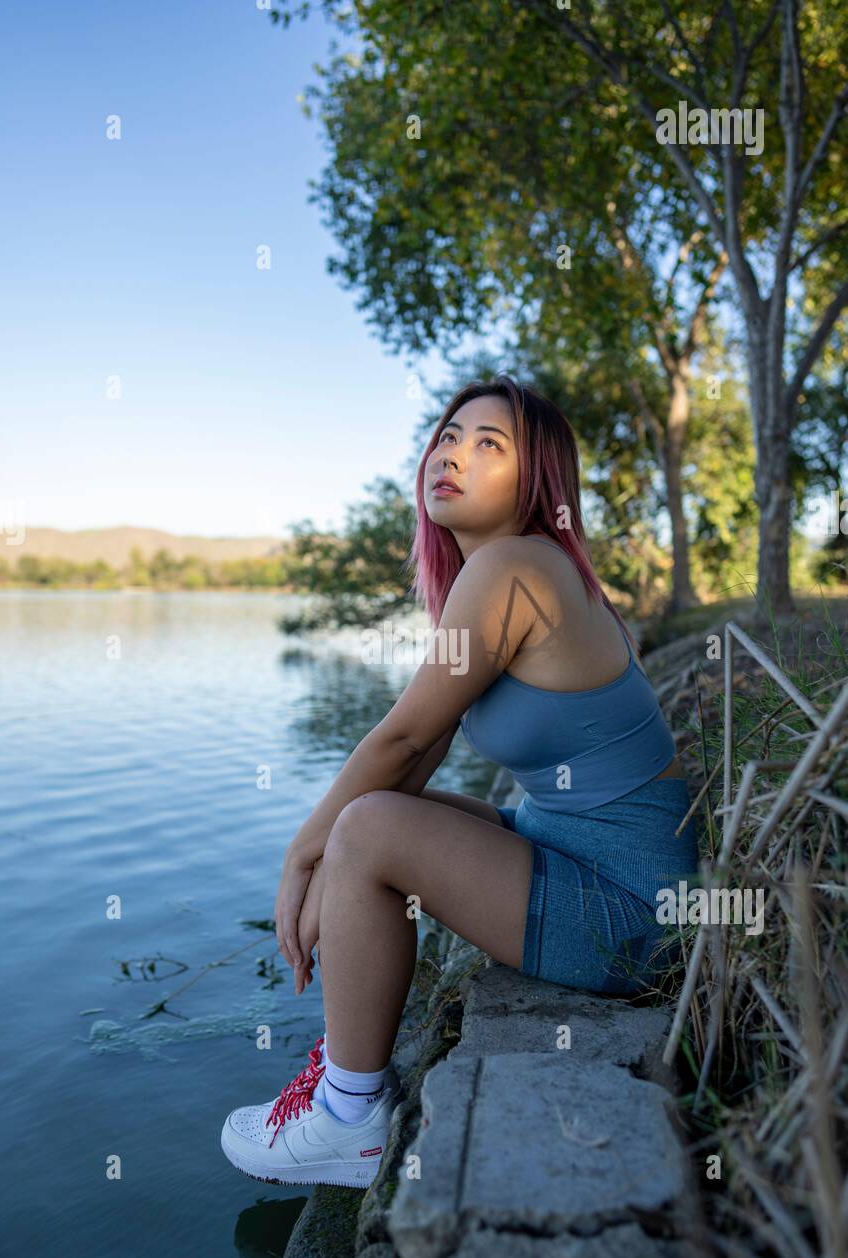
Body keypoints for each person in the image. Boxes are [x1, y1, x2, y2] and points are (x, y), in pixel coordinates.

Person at [220, 373, 700, 1189]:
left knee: (365, 830)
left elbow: (403, 734)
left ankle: (348, 1117)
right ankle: (344, 1066)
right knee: (370, 824)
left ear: (536, 482)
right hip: (583, 855)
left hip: (632, 911)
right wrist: (331, 855)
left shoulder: (515, 567)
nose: (452, 455)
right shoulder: (509, 572)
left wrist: (304, 855)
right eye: (448, 435)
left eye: (489, 445)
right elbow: (425, 746)